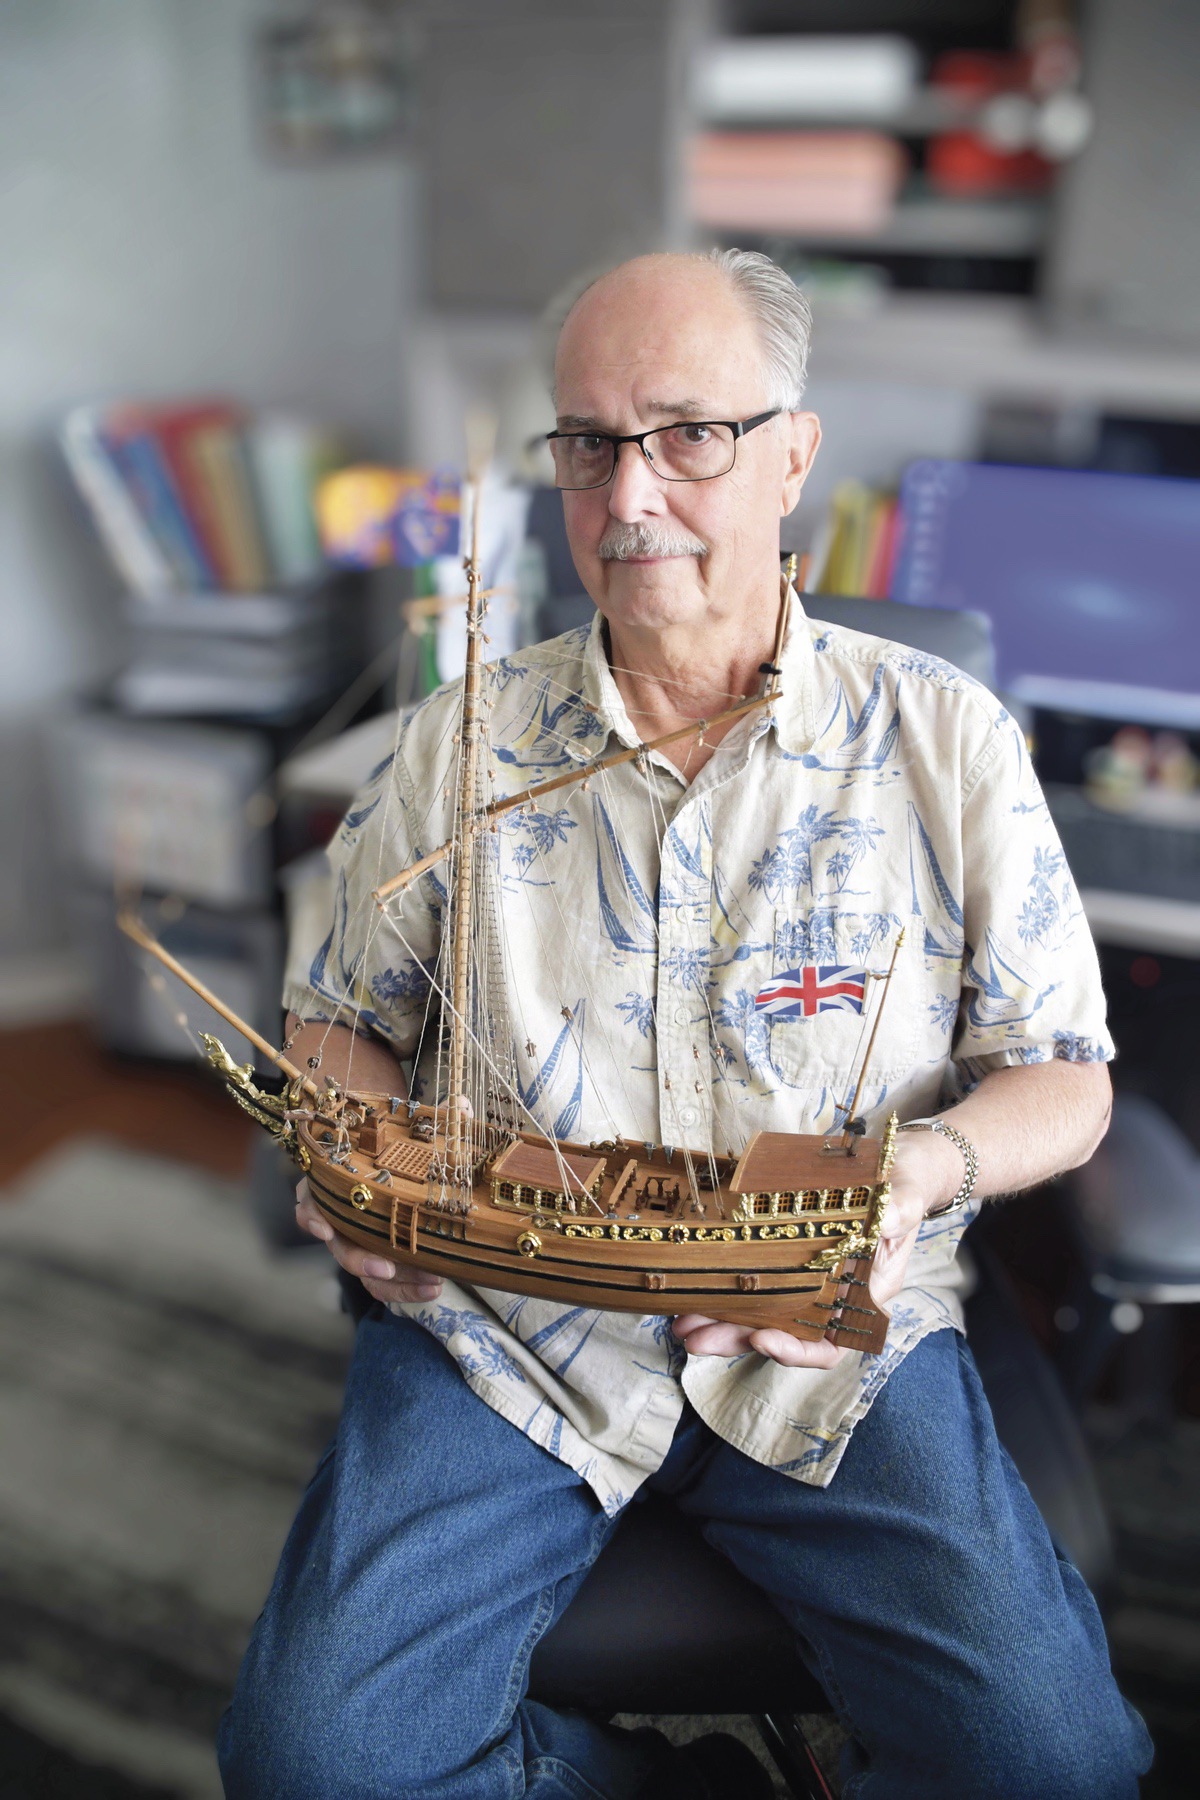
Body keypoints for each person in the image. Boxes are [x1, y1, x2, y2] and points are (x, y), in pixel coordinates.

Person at [218, 250, 1151, 1798]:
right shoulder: (462, 744)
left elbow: (1064, 1075)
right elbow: (334, 1027)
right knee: (309, 1769)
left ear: (794, 454)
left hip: (828, 1338)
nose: (630, 492)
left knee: (1049, 1766)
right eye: (588, 443)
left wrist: (911, 1178)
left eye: (688, 434)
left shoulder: (942, 738)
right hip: (507, 1331)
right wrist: (349, 1145)